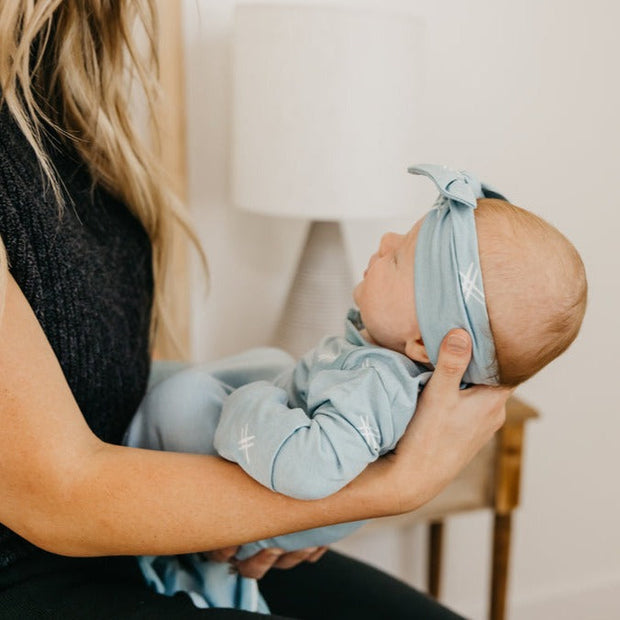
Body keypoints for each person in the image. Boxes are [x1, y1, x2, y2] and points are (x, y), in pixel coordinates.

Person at [0, 2, 513, 618]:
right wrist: (387, 488)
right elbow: (58, 497)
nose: (386, 245)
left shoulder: (58, 98)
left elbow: (86, 367)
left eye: (406, 260)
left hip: (142, 532)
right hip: (35, 570)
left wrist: (260, 494)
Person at [125, 164, 587, 611]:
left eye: (399, 257)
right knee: (268, 363)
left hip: (270, 488)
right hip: (280, 454)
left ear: (423, 342)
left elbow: (309, 469)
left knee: (181, 401)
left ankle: (134, 441)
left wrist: (253, 401)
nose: (384, 242)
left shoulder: (378, 385)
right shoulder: (384, 364)